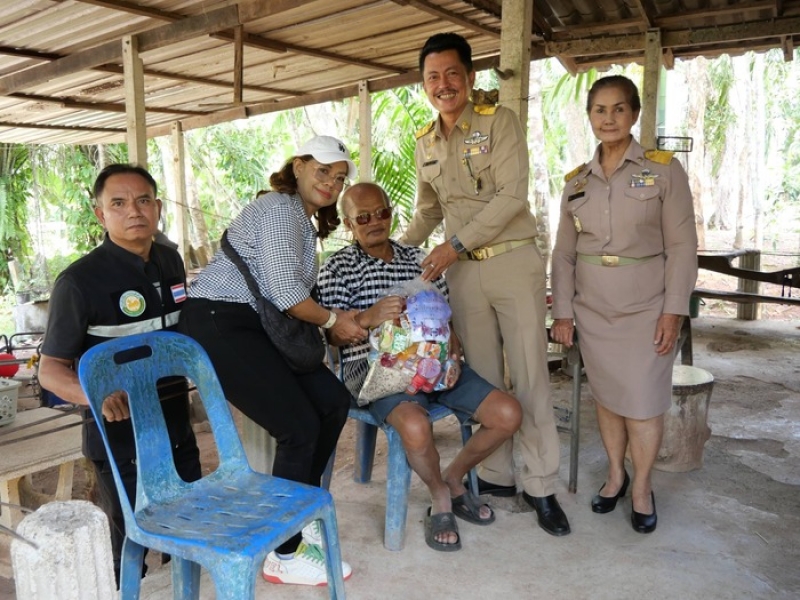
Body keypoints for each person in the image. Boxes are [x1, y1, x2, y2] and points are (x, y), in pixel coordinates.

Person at [401, 32, 570, 536]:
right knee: (482, 378)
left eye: (452, 73)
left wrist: (453, 244)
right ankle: (496, 475)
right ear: (424, 84)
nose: (443, 84)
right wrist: (393, 247)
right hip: (463, 272)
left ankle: (540, 484)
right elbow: (428, 211)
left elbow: (511, 196)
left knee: (530, 375)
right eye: (433, 77)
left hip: (512, 261)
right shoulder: (425, 142)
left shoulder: (499, 122)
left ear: (470, 77)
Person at [178, 135, 363, 585]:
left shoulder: (301, 220)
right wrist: (334, 321)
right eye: (323, 171)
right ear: (298, 166)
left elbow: (285, 294)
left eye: (339, 178)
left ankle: (296, 515)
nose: (331, 183)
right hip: (221, 321)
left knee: (332, 402)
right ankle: (284, 552)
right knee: (298, 428)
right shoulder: (280, 208)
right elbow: (285, 292)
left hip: (254, 325)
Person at [319, 182, 522, 552]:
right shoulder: (338, 268)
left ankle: (454, 477)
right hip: (376, 372)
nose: (375, 221)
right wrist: (367, 318)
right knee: (414, 426)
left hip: (435, 363)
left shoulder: (418, 259)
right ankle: (439, 494)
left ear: (391, 214)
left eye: (381, 212)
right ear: (348, 225)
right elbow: (332, 336)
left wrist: (453, 352)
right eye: (363, 218)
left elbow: (446, 318)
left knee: (507, 414)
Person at [38, 163, 202, 583]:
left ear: (158, 208)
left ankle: (177, 586)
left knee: (186, 524)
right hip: (119, 437)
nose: (134, 211)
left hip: (176, 425)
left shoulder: (169, 261)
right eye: (119, 203)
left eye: (143, 200)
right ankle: (124, 586)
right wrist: (95, 395)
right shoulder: (78, 282)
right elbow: (50, 372)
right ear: (100, 214)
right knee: (131, 537)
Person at [550, 75, 698, 533]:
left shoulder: (664, 170)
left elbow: (683, 246)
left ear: (634, 114)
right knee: (609, 398)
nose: (609, 118)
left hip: (647, 308)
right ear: (590, 117)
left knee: (644, 402)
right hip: (593, 309)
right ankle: (616, 475)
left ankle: (642, 487)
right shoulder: (576, 182)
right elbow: (563, 253)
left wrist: (674, 310)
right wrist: (562, 312)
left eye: (618, 108)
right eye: (599, 109)